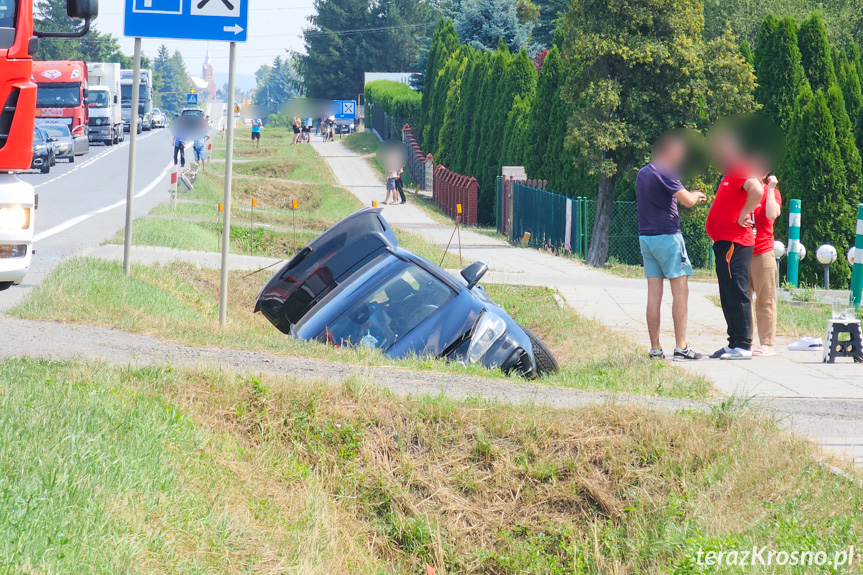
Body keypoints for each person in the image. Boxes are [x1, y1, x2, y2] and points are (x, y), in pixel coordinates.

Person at [636, 132, 707, 361]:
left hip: (646, 238)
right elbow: (686, 200)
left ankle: (655, 349)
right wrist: (696, 195)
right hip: (668, 237)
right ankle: (681, 347)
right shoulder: (666, 172)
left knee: (653, 294)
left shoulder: (643, 173)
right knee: (681, 291)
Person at [706, 161, 765, 361]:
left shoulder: (742, 169)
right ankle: (734, 343)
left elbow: (757, 190)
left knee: (737, 292)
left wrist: (742, 214)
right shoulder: (730, 174)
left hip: (736, 242)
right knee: (727, 293)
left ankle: (743, 345)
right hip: (725, 242)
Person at [749, 174, 781, 356]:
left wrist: (769, 189)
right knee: (743, 300)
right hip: (742, 250)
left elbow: (771, 214)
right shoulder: (742, 190)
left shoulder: (773, 193)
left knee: (765, 299)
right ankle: (744, 341)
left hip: (763, 250)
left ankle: (767, 344)